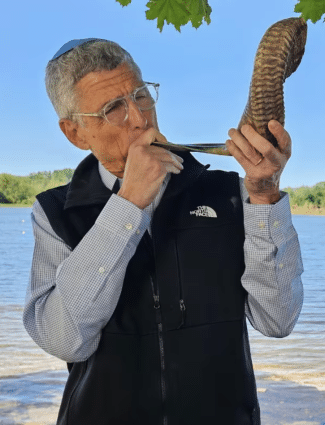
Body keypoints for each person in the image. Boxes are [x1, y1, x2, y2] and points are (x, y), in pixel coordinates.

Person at [23, 39, 304, 425]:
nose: (140, 118)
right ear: (75, 133)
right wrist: (129, 203)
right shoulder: (54, 213)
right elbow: (63, 339)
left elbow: (277, 320)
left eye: (140, 95)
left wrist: (265, 194)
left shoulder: (230, 194)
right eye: (113, 109)